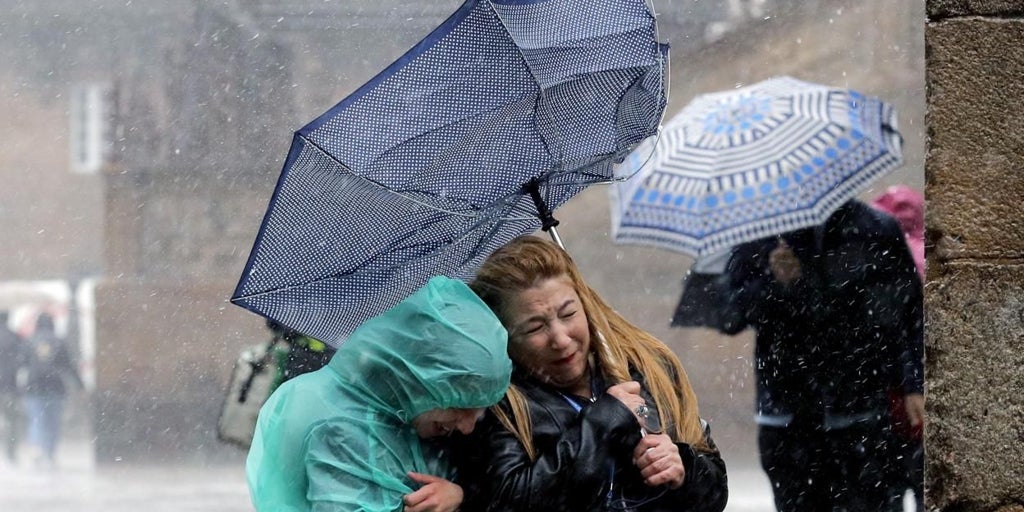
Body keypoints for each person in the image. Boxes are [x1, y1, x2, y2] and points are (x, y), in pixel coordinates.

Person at [455, 235, 728, 512]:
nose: (560, 339)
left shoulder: (648, 367)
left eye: (568, 313)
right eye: (535, 328)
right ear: (505, 338)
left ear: (585, 304)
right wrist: (603, 424)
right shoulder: (497, 407)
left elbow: (715, 495)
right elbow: (510, 502)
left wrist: (684, 469)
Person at [717, 199, 924, 512]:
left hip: (863, 415)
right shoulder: (760, 233)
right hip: (789, 419)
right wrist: (776, 283)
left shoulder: (876, 228)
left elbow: (910, 313)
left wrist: (914, 383)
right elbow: (729, 316)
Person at [246, 275, 512, 512]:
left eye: (478, 409)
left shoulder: (381, 410)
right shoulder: (345, 429)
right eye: (459, 405)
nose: (467, 427)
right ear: (417, 380)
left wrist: (457, 497)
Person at [871, 185, 926, 512]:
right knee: (927, 490)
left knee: (886, 494)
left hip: (882, 397)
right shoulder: (927, 257)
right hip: (922, 400)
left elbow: (896, 331)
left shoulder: (880, 261)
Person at [22, 313, 84, 469]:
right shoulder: (59, 342)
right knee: (53, 422)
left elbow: (21, 362)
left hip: (34, 386)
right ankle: (50, 452)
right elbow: (69, 366)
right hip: (55, 387)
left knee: (36, 419)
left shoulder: (30, 341)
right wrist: (80, 385)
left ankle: (36, 447)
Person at [0, 311, 27, 465]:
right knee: (11, 420)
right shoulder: (14, 337)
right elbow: (22, 360)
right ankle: (10, 452)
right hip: (9, 385)